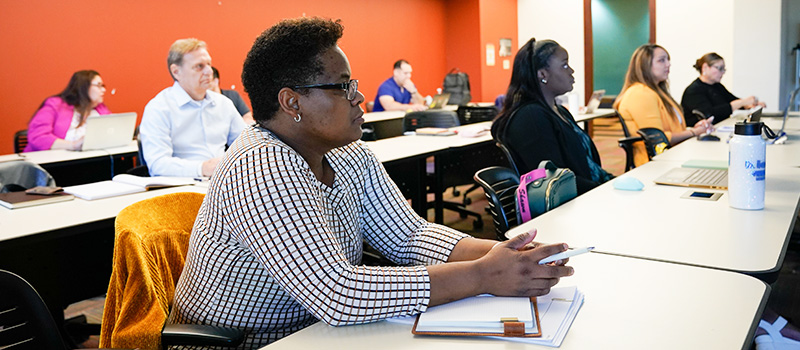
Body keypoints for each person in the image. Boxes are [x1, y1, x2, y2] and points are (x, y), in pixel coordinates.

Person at [168, 17, 573, 348]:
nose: (359, 98)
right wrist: (485, 275)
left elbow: (409, 236)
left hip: (315, 332)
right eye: (344, 87)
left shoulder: (348, 153)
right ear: (292, 103)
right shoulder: (260, 165)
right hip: (246, 343)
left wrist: (507, 255)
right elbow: (339, 294)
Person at [491, 38, 613, 195]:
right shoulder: (530, 118)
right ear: (542, 74)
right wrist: (606, 190)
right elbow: (556, 182)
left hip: (588, 194)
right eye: (564, 65)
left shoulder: (560, 111)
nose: (571, 71)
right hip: (569, 207)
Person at [138, 38, 246, 177]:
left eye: (209, 64)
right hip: (182, 187)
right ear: (176, 72)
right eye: (199, 66)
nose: (209, 71)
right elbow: (158, 165)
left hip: (223, 182)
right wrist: (202, 168)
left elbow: (246, 145)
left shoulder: (223, 103)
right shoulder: (159, 108)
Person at [613, 44, 713, 167]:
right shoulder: (640, 93)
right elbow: (658, 139)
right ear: (645, 65)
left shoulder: (658, 92)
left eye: (668, 60)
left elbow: (669, 130)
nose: (668, 64)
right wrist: (694, 132)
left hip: (673, 155)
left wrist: (691, 129)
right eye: (661, 60)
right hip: (655, 162)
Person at [24, 70, 110, 152]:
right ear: (84, 86)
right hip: (54, 162)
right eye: (99, 85)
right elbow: (38, 137)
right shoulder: (55, 105)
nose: (103, 90)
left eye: (103, 86)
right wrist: (73, 145)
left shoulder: (100, 109)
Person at [681, 52, 766, 126]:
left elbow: (732, 100)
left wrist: (748, 105)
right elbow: (709, 115)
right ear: (705, 67)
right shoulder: (693, 91)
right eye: (719, 68)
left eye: (724, 69)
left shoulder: (717, 86)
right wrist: (742, 102)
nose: (723, 72)